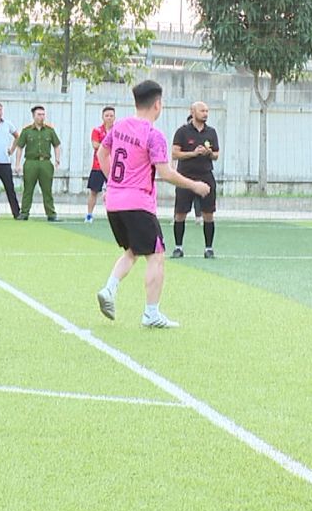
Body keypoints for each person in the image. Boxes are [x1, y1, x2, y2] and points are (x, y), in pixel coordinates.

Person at [94, 80, 211, 328]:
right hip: (138, 203)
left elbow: (102, 154)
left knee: (133, 251)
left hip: (114, 202)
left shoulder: (119, 126)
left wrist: (113, 182)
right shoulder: (153, 135)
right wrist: (195, 186)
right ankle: (151, 313)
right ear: (157, 104)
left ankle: (109, 289)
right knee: (157, 255)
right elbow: (166, 172)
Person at [170, 100, 221, 258]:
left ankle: (209, 249)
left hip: (206, 176)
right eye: (202, 111)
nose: (205, 114)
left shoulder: (211, 132)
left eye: (207, 111)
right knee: (180, 213)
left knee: (208, 214)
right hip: (185, 177)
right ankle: (178, 248)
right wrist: (193, 153)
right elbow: (175, 154)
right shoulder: (182, 132)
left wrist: (209, 153)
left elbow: (216, 155)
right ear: (193, 112)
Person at [14, 105, 62, 221]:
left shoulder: (50, 130)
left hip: (45, 163)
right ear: (33, 116)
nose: (41, 117)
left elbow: (56, 145)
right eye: (39, 114)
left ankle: (51, 214)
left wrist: (57, 160)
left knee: (47, 190)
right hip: (31, 162)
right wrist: (17, 164)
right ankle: (24, 213)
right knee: (28, 189)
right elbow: (19, 147)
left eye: (43, 114)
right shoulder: (27, 131)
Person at [84, 106, 116, 224]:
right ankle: (89, 215)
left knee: (114, 192)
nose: (109, 118)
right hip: (98, 166)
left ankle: (115, 217)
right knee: (94, 191)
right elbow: (95, 145)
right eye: (107, 115)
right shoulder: (97, 130)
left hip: (113, 167)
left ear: (114, 117)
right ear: (102, 117)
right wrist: (110, 145)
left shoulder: (117, 131)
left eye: (111, 116)